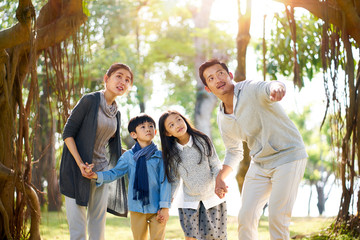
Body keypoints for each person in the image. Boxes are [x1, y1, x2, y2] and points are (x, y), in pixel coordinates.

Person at [198, 59, 308, 240]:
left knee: (277, 217)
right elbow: (234, 150)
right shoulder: (222, 117)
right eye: (210, 78)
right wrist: (220, 177)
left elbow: (268, 86)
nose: (217, 78)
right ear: (208, 88)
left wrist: (276, 87)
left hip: (288, 156)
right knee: (245, 217)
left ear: (229, 75)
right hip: (260, 164)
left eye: (220, 73)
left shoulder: (248, 88)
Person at [59, 63, 133, 240]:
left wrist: (136, 152)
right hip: (76, 170)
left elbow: (112, 147)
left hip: (100, 173)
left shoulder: (116, 112)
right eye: (119, 76)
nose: (123, 81)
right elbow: (68, 133)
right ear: (106, 79)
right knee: (78, 228)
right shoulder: (89, 100)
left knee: (98, 227)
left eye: (127, 80)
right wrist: (80, 164)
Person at [86, 114, 172, 240]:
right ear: (133, 134)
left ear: (155, 131)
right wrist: (96, 175)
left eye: (150, 126)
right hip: (136, 207)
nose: (147, 129)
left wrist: (165, 208)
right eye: (142, 127)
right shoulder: (128, 157)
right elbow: (115, 173)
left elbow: (165, 182)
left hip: (157, 208)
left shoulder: (160, 156)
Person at [158, 110, 227, 240]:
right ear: (168, 133)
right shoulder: (172, 153)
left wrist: (220, 182)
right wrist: (166, 205)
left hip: (212, 199)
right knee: (190, 238)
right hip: (189, 203)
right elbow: (174, 180)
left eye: (179, 119)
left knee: (216, 238)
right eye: (171, 125)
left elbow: (215, 165)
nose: (177, 124)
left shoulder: (202, 140)